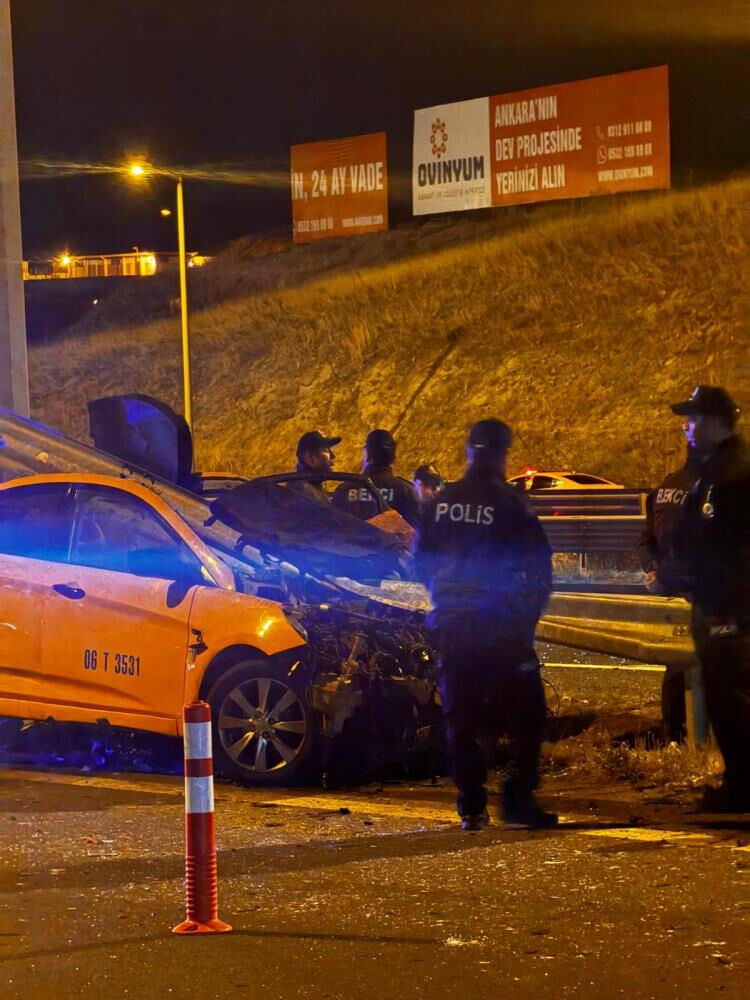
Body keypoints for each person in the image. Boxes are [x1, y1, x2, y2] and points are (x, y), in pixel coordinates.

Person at [415, 418, 556, 831]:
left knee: (463, 714)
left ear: (469, 452)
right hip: (499, 624)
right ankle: (518, 797)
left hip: (454, 622)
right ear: (501, 454)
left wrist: (444, 600)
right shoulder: (509, 503)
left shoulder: (440, 502)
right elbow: (539, 568)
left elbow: (420, 561)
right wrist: (524, 620)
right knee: (528, 712)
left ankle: (471, 805)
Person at [668, 386, 750, 812]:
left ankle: (742, 787)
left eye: (694, 418)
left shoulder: (735, 474)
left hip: (730, 606)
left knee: (732, 695)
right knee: (724, 694)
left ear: (717, 423)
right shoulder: (713, 471)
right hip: (715, 600)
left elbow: (721, 541)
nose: (687, 426)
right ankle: (738, 782)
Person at [637, 444, 701, 742]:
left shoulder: (666, 487)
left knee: (678, 660)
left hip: (673, 586)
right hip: (702, 588)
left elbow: (646, 541)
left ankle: (674, 732)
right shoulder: (712, 490)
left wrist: (654, 570)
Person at [331, 429, 420, 526]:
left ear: (367, 454)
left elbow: (334, 528)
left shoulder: (345, 490)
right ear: (393, 457)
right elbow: (418, 531)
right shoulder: (406, 491)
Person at [288, 430, 341, 505]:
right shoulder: (301, 492)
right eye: (326, 450)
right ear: (311, 458)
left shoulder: (312, 487)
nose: (333, 456)